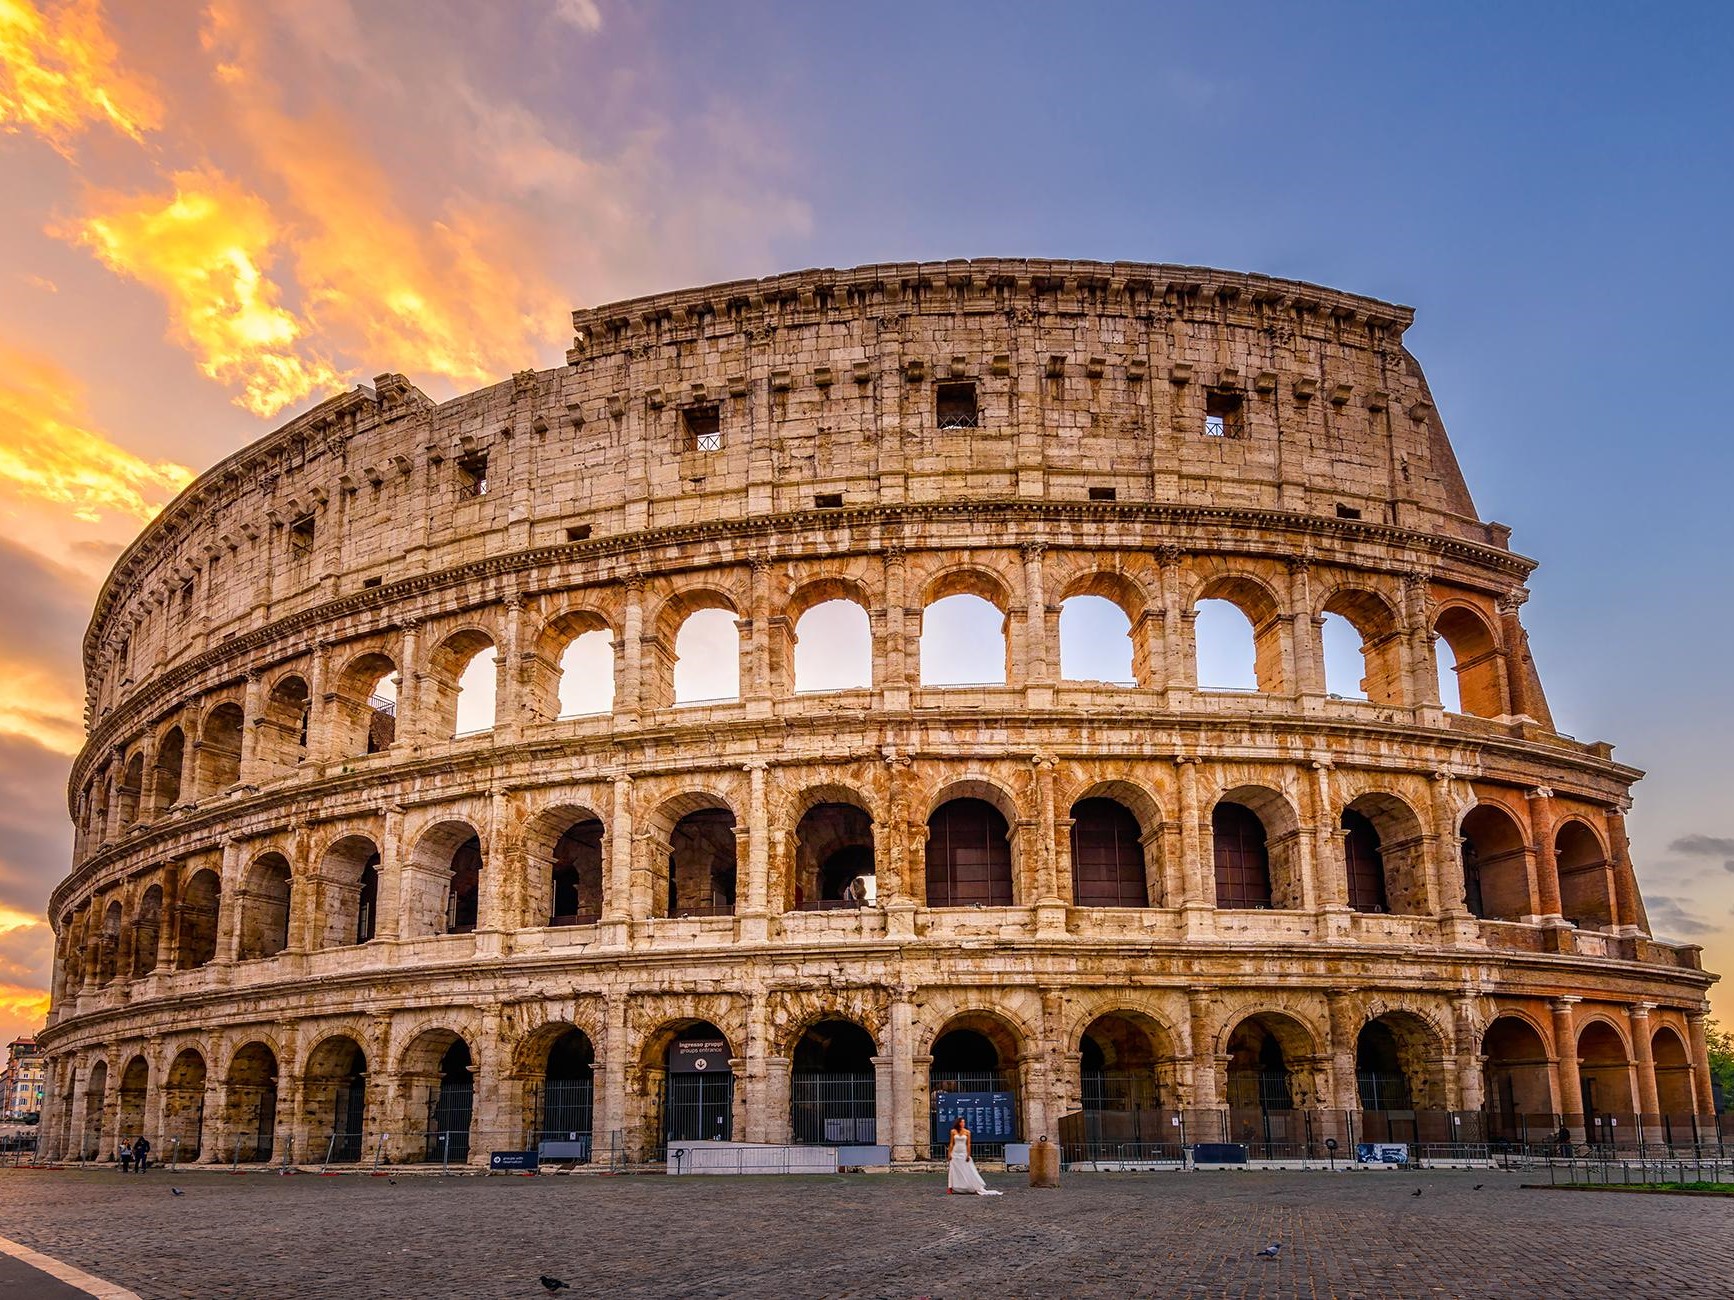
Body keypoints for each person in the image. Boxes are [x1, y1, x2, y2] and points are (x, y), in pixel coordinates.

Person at [945, 1117, 1001, 1196]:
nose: (963, 1124)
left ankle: (970, 1185)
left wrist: (968, 1154)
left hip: (963, 1151)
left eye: (964, 1122)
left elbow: (968, 1144)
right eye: (961, 1122)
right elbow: (951, 1143)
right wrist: (949, 1153)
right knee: (953, 1169)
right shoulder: (953, 1131)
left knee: (967, 1169)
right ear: (958, 1123)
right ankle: (950, 1187)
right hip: (955, 1152)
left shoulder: (967, 1132)